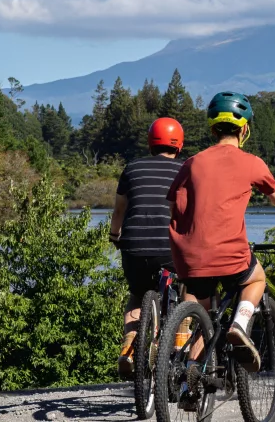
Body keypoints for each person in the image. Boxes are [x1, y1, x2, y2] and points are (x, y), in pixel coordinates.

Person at [166, 91, 275, 373]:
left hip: (189, 257)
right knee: (256, 277)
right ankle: (240, 324)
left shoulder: (192, 163)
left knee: (201, 317)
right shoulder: (252, 163)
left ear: (212, 128)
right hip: (230, 255)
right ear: (244, 128)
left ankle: (190, 378)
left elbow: (175, 208)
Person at [110, 117, 186, 377]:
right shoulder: (184, 169)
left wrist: (114, 235)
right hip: (169, 248)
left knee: (136, 294)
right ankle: (179, 341)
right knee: (189, 288)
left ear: (150, 143)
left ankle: (128, 348)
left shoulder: (132, 168)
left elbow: (120, 210)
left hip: (133, 246)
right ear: (179, 145)